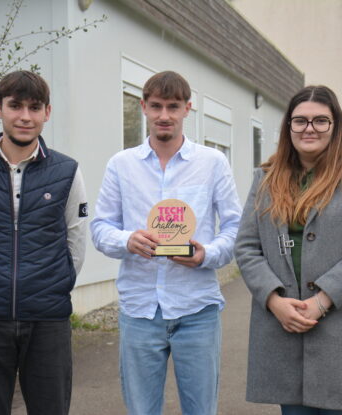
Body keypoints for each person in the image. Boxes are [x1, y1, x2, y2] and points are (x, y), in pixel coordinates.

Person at [234, 85, 342, 415]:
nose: (309, 128)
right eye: (300, 121)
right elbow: (248, 247)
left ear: (335, 126)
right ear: (288, 127)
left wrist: (322, 300)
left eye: (321, 120)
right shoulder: (265, 179)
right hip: (284, 324)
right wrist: (273, 300)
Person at [90, 70, 241, 415]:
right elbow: (100, 227)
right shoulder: (121, 165)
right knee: (142, 410)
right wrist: (128, 240)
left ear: (188, 109)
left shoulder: (212, 163)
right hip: (140, 309)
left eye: (173, 107)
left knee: (201, 410)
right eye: (156, 106)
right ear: (143, 107)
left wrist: (206, 254)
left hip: (197, 309)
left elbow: (235, 228)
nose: (164, 116)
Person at [0, 70, 87, 415]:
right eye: (15, 106)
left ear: (47, 113)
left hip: (48, 317)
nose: (25, 116)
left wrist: (56, 283)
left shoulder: (68, 171)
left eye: (34, 107)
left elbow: (76, 236)